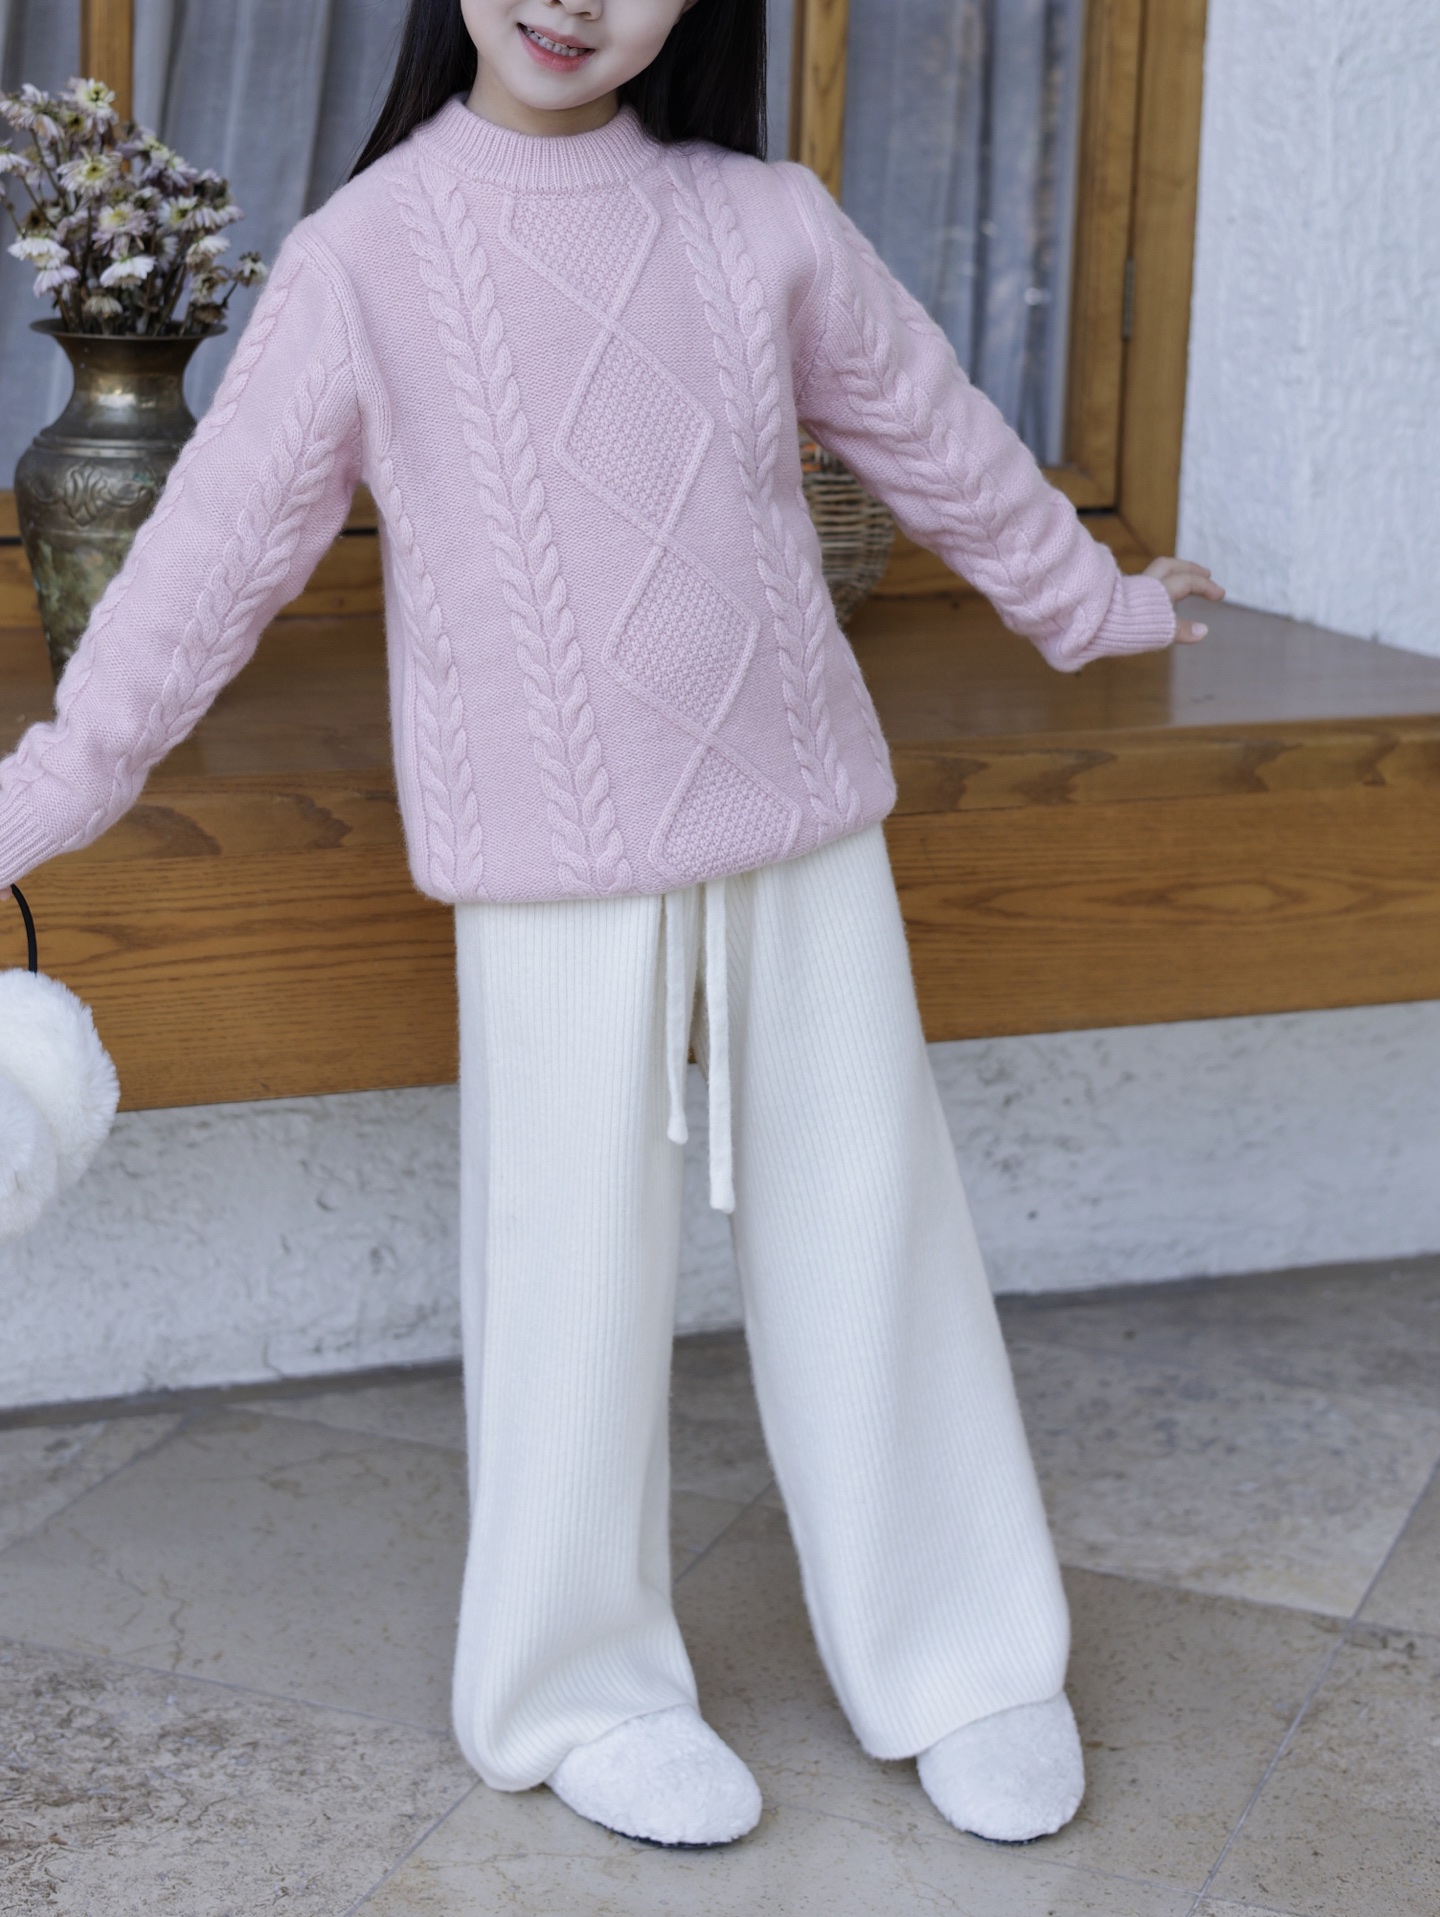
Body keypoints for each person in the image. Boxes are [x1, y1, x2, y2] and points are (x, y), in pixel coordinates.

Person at [0, 0, 1223, 1850]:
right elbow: (200, 570)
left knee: (873, 1223)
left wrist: (1090, 603)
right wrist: (48, 789)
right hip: (546, 857)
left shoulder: (765, 222)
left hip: (800, 812)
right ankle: (578, 1683)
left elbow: (937, 430)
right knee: (565, 1269)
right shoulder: (368, 258)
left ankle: (964, 1649)